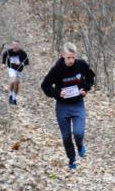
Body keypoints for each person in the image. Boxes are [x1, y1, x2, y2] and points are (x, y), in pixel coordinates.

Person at [41, 42, 95, 170]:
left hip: (77, 105)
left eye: (73, 57)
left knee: (78, 133)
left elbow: (91, 77)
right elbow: (45, 86)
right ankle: (72, 160)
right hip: (62, 106)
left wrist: (85, 89)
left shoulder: (81, 65)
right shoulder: (57, 69)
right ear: (62, 55)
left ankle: (79, 144)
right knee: (66, 137)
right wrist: (57, 93)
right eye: (68, 57)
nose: (71, 60)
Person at [1, 40, 29, 105]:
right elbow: (4, 55)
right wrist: (3, 63)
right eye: (14, 45)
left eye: (16, 45)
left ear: (18, 45)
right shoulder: (9, 51)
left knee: (17, 84)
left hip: (19, 70)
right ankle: (10, 95)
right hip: (11, 68)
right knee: (13, 81)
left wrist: (22, 64)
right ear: (12, 45)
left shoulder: (22, 52)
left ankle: (14, 98)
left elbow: (27, 61)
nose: (15, 46)